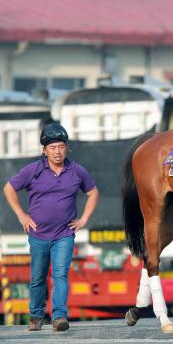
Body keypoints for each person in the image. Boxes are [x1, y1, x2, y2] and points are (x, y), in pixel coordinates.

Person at [3, 122, 99, 331]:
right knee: (37, 277)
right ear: (44, 150)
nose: (57, 152)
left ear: (67, 148)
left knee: (60, 275)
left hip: (64, 234)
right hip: (37, 235)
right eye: (52, 148)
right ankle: (36, 317)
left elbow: (93, 193)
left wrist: (83, 220)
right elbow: (9, 188)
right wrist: (22, 215)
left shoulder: (76, 171)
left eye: (61, 147)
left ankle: (58, 317)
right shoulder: (33, 170)